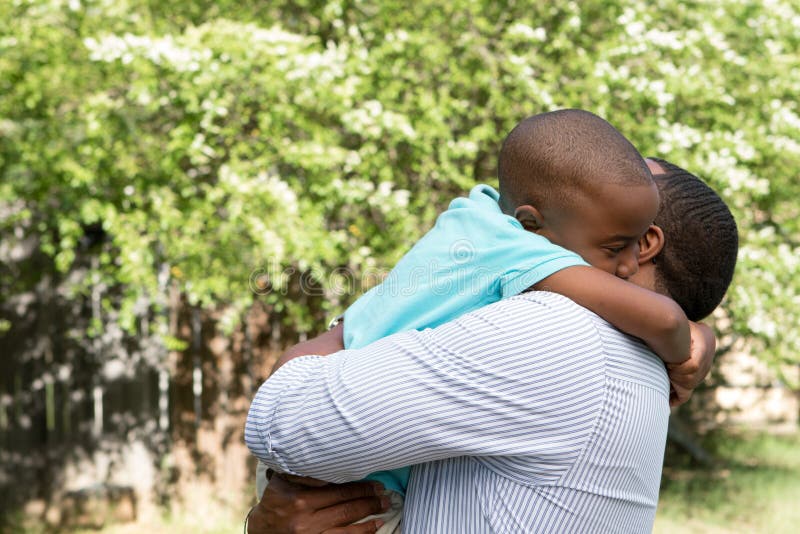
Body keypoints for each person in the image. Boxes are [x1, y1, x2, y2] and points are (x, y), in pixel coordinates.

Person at [250, 109, 697, 532]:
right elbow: (665, 320)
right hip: (349, 488)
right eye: (616, 246)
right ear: (531, 224)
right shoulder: (523, 254)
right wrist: (688, 351)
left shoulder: (479, 216)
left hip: (327, 390)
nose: (622, 266)